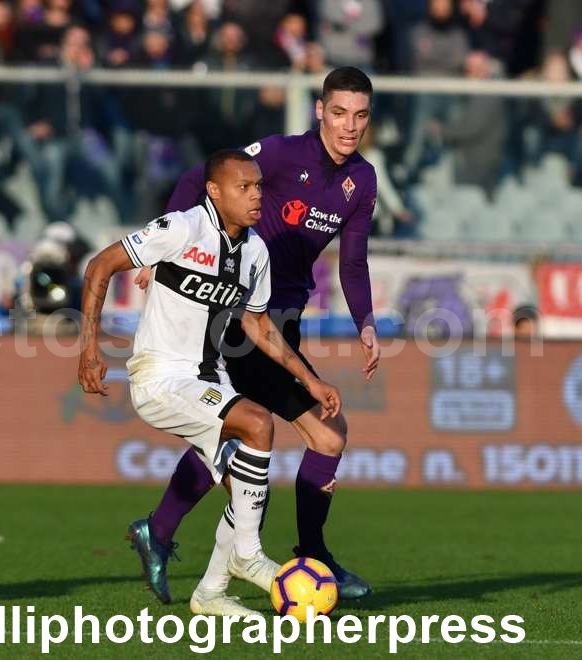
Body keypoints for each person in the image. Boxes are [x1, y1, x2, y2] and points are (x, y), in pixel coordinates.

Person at [128, 66, 380, 605]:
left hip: (282, 318)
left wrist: (365, 321)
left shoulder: (363, 180)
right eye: (339, 113)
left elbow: (353, 262)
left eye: (360, 115)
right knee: (322, 435)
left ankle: (161, 531)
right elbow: (198, 178)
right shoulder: (282, 153)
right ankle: (308, 559)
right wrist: (161, 248)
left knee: (233, 435)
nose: (349, 126)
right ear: (320, 111)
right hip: (241, 316)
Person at [79, 149, 343, 615]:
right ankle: (248, 556)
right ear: (215, 192)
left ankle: (211, 593)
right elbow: (100, 265)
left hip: (210, 380)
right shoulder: (181, 229)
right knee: (258, 422)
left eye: (259, 186)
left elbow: (258, 325)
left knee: (248, 492)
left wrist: (310, 380)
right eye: (244, 187)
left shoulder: (255, 252)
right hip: (160, 376)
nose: (256, 195)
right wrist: (88, 348)